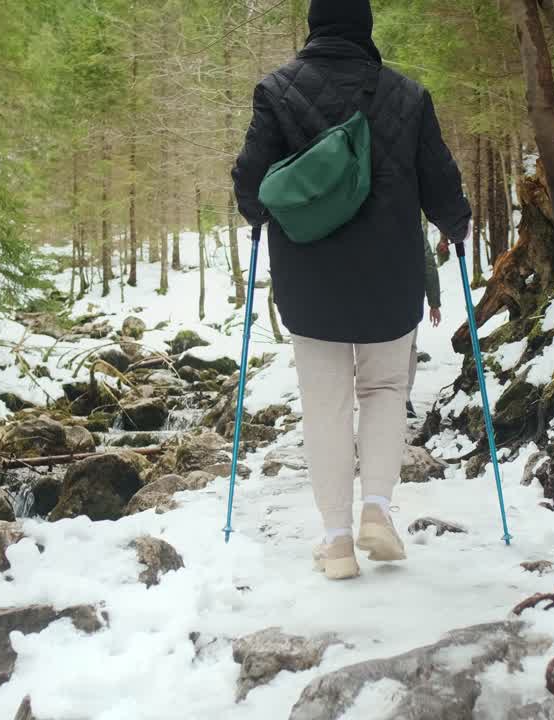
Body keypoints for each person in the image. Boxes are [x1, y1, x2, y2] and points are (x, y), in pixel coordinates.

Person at [232, 0, 471, 580]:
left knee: (326, 404)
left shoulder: (277, 91)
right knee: (387, 388)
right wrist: (457, 225)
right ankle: (378, 513)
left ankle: (337, 542)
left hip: (310, 281)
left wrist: (269, 210)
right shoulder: (408, 96)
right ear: (365, 28)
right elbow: (440, 181)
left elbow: (250, 185)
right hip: (390, 278)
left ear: (314, 27)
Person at [406, 237, 442, 420]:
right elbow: (428, 264)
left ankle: (384, 398)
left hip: (381, 296)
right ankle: (403, 398)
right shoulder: (413, 225)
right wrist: (434, 303)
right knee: (409, 349)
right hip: (408, 297)